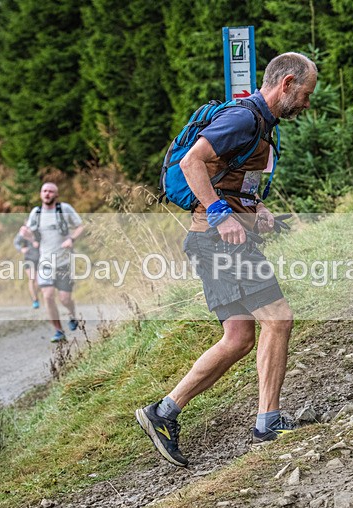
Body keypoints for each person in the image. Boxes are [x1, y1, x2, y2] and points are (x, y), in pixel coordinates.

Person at [135, 52, 318, 467]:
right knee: (279, 318)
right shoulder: (244, 119)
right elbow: (191, 160)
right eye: (305, 94)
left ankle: (162, 413)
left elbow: (237, 181)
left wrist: (256, 211)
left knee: (238, 338)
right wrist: (220, 213)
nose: (307, 104)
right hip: (219, 242)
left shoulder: (263, 127)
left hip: (212, 242)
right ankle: (268, 421)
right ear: (286, 84)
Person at [24, 183, 83, 342]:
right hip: (45, 262)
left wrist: (71, 239)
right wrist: (27, 235)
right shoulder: (36, 213)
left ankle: (72, 314)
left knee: (65, 299)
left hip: (64, 261)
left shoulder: (65, 209)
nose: (47, 194)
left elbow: (80, 227)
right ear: (40, 194)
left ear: (56, 195)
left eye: (51, 191)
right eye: (44, 191)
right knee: (48, 295)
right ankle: (58, 331)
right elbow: (31, 235)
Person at [14, 225, 41, 309]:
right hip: (29, 258)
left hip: (40, 258)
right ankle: (35, 300)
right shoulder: (23, 231)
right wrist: (21, 249)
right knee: (32, 278)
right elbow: (16, 242)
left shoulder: (39, 231)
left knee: (38, 281)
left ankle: (35, 295)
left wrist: (38, 243)